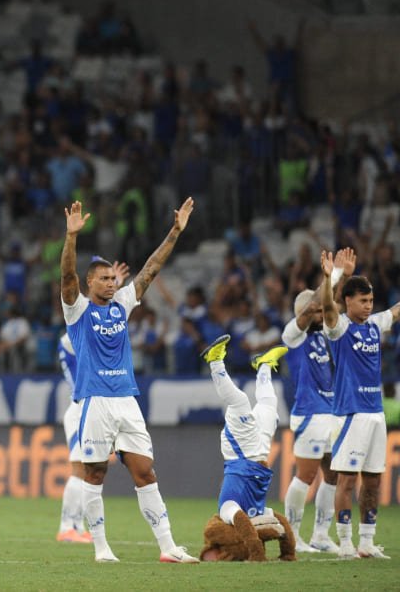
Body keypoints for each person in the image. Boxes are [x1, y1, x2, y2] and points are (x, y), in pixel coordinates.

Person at [60, 198, 199, 563]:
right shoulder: (77, 310)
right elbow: (66, 278)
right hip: (94, 401)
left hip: (126, 400)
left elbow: (151, 269)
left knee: (144, 470)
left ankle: (167, 547)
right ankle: (101, 548)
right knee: (95, 473)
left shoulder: (122, 303)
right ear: (90, 282)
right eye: (102, 279)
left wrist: (175, 231)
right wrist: (71, 238)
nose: (109, 283)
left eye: (112, 278)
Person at [318, 249, 394, 559]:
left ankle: (366, 542)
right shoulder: (339, 329)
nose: (368, 306)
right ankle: (345, 542)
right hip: (350, 414)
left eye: (371, 301)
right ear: (348, 301)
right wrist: (330, 277)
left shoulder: (375, 324)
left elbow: (397, 310)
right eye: (363, 301)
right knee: (347, 480)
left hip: (375, 413)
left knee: (374, 480)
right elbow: (326, 307)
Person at [199, 335, 295, 562]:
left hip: (240, 452)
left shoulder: (226, 509)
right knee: (270, 406)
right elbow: (279, 520)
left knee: (239, 401)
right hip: (259, 453)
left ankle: (215, 361)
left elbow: (240, 519)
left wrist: (256, 552)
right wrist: (288, 552)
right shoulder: (258, 514)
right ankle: (263, 365)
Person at [282, 250, 353, 553]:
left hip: (330, 411)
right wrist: (332, 275)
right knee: (306, 475)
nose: (322, 311)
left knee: (333, 474)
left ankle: (320, 535)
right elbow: (316, 303)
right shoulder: (293, 335)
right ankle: (293, 536)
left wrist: (343, 277)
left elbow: (328, 303)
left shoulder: (325, 334)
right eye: (317, 309)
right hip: (309, 413)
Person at [57, 261, 128, 544]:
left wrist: (113, 291)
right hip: (82, 407)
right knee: (80, 469)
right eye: (102, 279)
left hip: (90, 405)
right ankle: (67, 527)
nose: (109, 283)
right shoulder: (72, 332)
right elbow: (92, 315)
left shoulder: (81, 325)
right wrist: (114, 292)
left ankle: (75, 525)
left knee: (92, 468)